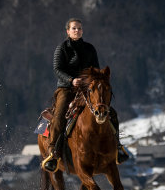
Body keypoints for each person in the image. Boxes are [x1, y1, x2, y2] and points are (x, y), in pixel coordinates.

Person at [41, 18, 128, 172]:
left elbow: (96, 69)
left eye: (80, 28)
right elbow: (57, 69)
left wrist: (95, 82)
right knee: (60, 115)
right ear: (67, 31)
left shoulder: (90, 48)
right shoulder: (61, 49)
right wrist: (71, 80)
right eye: (74, 28)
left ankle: (118, 147)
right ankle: (53, 152)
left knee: (111, 113)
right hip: (67, 89)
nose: (77, 31)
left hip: (88, 89)